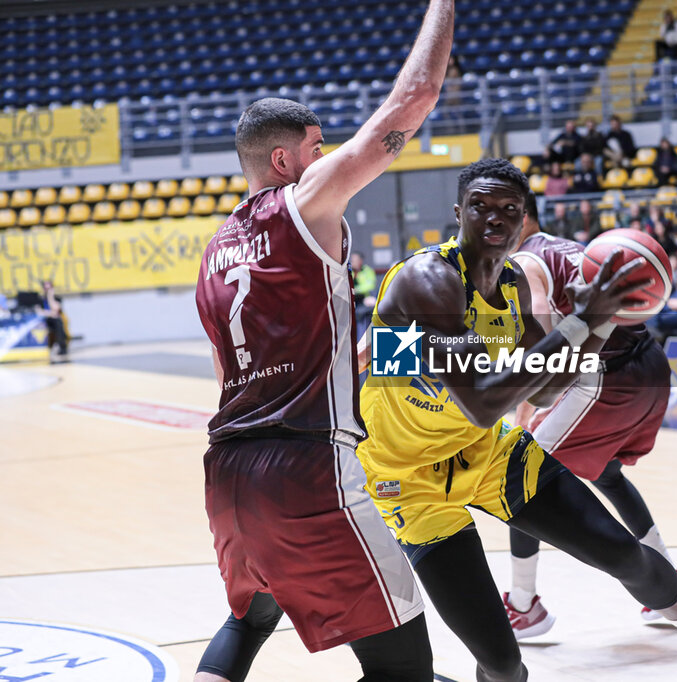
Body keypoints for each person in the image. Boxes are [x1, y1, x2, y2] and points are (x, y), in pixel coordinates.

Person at [357, 158, 677, 682]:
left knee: (625, 555)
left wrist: (603, 320)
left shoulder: (517, 285)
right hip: (408, 478)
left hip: (487, 453)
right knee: (503, 667)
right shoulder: (425, 281)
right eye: (480, 205)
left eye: (508, 209)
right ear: (458, 212)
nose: (494, 218)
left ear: (524, 219)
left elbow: (544, 389)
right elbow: (482, 400)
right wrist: (581, 321)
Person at [190, 2, 454, 679]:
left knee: (248, 621)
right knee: (405, 668)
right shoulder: (301, 204)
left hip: (228, 477)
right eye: (315, 150)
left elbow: (277, 362)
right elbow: (414, 98)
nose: (325, 160)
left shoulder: (215, 250)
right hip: (306, 472)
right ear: (283, 159)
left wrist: (393, 351)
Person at [504, 190, 677, 632]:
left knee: (516, 477)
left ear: (522, 218)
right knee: (608, 474)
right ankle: (669, 583)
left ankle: (523, 606)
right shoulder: (576, 248)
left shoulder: (526, 261)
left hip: (607, 377)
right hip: (650, 363)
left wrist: (525, 405)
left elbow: (540, 334)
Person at [39, 280, 69, 358]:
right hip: (43, 320)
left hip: (53, 320)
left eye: (49, 289)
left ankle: (62, 347)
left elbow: (55, 310)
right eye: (46, 289)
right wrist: (49, 313)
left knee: (58, 321)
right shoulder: (40, 299)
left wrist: (50, 296)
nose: (47, 290)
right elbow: (39, 311)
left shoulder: (56, 298)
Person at [351, 251, 378, 330]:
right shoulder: (349, 271)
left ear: (360, 261)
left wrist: (356, 290)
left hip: (364, 298)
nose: (352, 262)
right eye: (352, 260)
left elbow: (370, 286)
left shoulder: (368, 271)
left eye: (354, 260)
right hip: (352, 299)